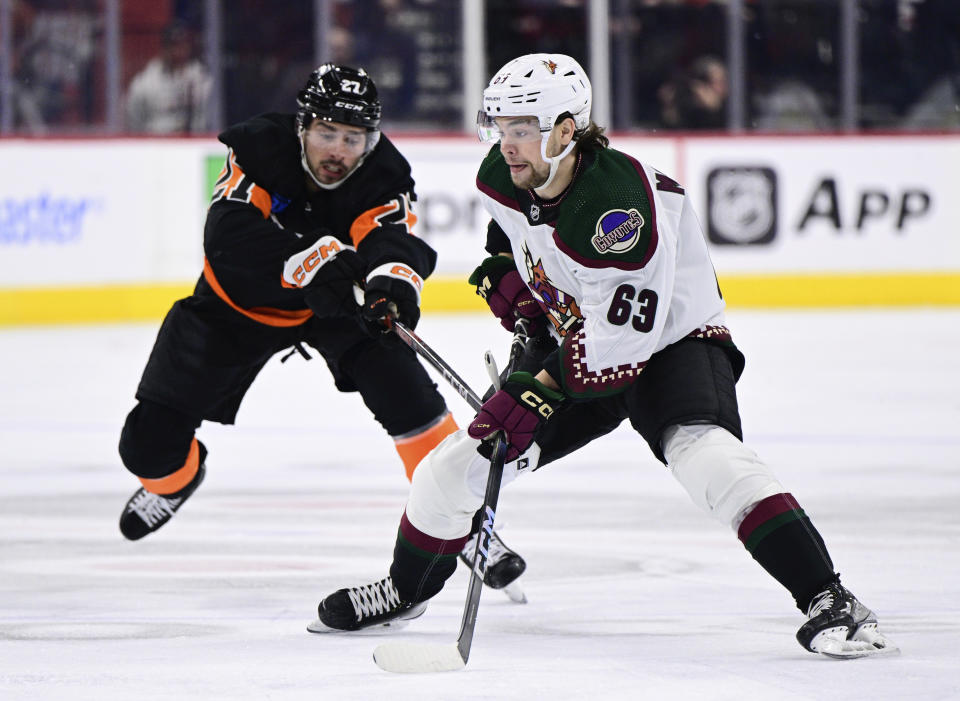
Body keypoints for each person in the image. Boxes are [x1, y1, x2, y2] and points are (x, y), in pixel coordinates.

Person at [308, 54, 898, 660]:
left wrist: (530, 392)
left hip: (671, 347)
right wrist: (509, 283)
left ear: (567, 130)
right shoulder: (508, 172)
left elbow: (614, 347)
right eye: (500, 127)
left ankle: (833, 600)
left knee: (710, 460)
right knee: (447, 473)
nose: (507, 146)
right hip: (575, 342)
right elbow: (510, 238)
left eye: (522, 130)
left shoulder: (618, 209)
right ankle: (406, 593)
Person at [116, 63, 525, 593]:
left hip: (333, 310)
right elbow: (228, 237)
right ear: (301, 127)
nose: (337, 150)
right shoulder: (259, 150)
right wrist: (311, 258)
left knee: (409, 398)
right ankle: (177, 479)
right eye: (326, 133)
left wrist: (390, 287)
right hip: (234, 308)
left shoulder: (383, 174)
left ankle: (462, 524)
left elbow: (389, 242)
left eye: (352, 138)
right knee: (146, 448)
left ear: (370, 139)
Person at [125, 22, 212, 134]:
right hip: (155, 145)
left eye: (182, 44)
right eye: (173, 45)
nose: (178, 51)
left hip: (195, 145)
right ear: (164, 48)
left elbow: (208, 118)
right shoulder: (145, 83)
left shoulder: (204, 80)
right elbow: (134, 121)